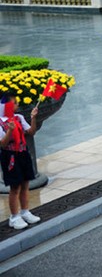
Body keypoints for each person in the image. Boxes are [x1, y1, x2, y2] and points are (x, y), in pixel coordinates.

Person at [0, 96, 41, 230]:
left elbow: (31, 132)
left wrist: (33, 117)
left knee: (25, 184)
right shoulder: (1, 122)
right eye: (14, 104)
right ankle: (14, 216)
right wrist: (10, 130)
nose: (17, 105)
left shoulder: (19, 118)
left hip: (23, 153)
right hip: (10, 156)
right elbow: (3, 144)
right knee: (15, 187)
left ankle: (25, 211)